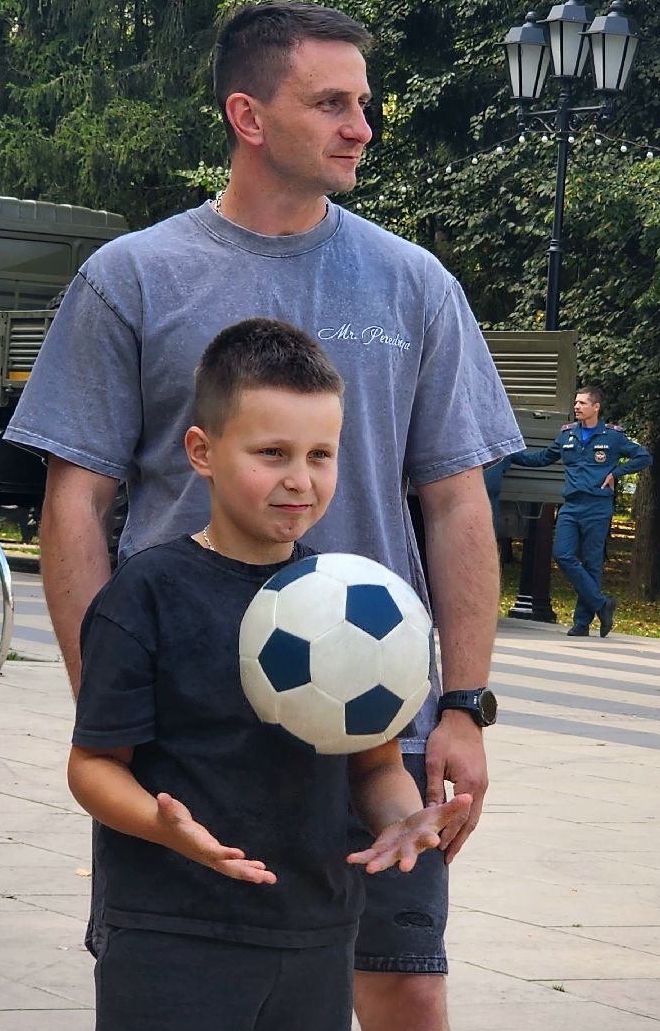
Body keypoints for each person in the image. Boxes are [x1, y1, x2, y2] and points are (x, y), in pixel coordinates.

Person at [5, 0, 522, 1030]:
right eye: (329, 103)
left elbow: (457, 502)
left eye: (362, 104)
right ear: (248, 115)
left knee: (407, 992)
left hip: (376, 719)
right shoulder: (134, 280)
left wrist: (463, 702)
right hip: (197, 733)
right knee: (193, 993)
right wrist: (111, 705)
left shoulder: (415, 285)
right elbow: (78, 502)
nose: (360, 127)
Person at [70, 319, 470, 1030]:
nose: (300, 478)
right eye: (272, 452)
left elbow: (373, 766)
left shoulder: (354, 603)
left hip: (315, 931)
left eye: (321, 454)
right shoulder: (147, 594)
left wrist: (402, 819)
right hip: (172, 931)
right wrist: (166, 830)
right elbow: (93, 766)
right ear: (203, 451)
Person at [509, 386, 652, 637]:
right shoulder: (567, 435)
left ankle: (582, 623)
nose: (576, 407)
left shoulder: (612, 436)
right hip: (571, 505)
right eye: (576, 402)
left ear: (596, 407)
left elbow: (643, 457)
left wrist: (616, 473)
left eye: (583, 403)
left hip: (597, 506)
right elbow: (542, 458)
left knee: (591, 562)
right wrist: (510, 455)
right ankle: (601, 604)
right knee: (562, 554)